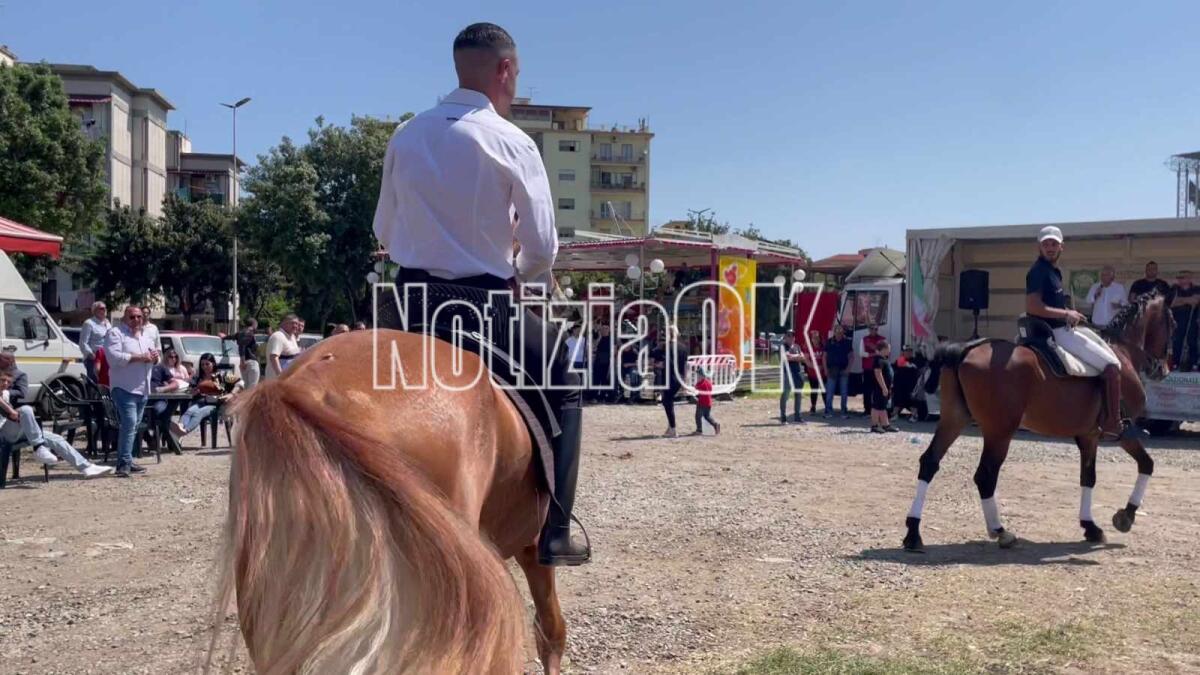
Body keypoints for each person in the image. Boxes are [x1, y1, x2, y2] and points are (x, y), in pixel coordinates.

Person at [370, 23, 587, 566]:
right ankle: (558, 530)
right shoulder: (511, 140)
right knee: (565, 379)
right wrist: (517, 265)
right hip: (484, 308)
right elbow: (543, 249)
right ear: (505, 70)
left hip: (412, 306)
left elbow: (385, 232)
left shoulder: (406, 134)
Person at [1025, 226, 1136, 441]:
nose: (1050, 247)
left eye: (1054, 244)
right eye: (1046, 244)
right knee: (1112, 367)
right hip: (1057, 331)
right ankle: (1113, 423)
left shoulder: (1053, 271)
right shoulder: (1038, 271)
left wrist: (1070, 313)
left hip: (1063, 327)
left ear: (1061, 247)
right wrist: (1067, 313)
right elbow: (1033, 306)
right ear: (1039, 246)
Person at [0, 370, 114, 477]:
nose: (5, 384)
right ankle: (38, 446)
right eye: (2, 380)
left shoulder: (5, 394)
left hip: (13, 432)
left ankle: (86, 467)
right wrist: (10, 411)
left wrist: (14, 414)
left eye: (8, 382)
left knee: (56, 438)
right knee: (25, 409)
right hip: (2, 435)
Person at [103, 306, 159, 477]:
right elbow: (113, 358)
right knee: (129, 424)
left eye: (139, 317)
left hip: (143, 388)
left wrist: (156, 358)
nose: (136, 320)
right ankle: (123, 464)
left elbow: (156, 358)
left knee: (133, 426)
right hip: (124, 387)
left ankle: (128, 459)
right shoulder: (115, 333)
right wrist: (140, 358)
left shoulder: (147, 336)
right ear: (124, 318)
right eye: (132, 317)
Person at [170, 353, 237, 440]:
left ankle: (184, 431)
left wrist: (231, 394)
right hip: (201, 402)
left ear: (213, 363)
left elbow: (239, 382)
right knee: (189, 411)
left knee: (199, 413)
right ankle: (180, 428)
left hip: (216, 404)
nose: (204, 367)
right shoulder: (198, 378)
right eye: (202, 364)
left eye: (207, 364)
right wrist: (194, 392)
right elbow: (189, 390)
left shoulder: (222, 374)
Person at [652, 326, 689, 437]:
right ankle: (670, 427)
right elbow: (685, 365)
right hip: (679, 378)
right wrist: (685, 381)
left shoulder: (666, 347)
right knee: (668, 401)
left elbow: (664, 363)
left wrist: (657, 365)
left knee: (667, 402)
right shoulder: (683, 347)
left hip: (669, 377)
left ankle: (673, 429)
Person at [1169, 270, 1199, 371]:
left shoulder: (1197, 289)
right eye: (1179, 278)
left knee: (1192, 341)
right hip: (1177, 320)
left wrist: (1180, 300)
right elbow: (1172, 303)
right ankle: (1176, 364)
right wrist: (1188, 300)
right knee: (1177, 342)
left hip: (1192, 320)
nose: (1180, 280)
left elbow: (1196, 300)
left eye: (1183, 277)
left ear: (1189, 278)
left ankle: (1194, 363)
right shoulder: (1174, 289)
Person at [822, 324, 852, 418]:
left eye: (840, 331)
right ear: (834, 332)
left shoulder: (847, 342)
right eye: (837, 331)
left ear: (843, 332)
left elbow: (852, 357)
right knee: (829, 392)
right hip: (831, 369)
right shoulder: (829, 342)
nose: (839, 333)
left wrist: (848, 369)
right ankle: (828, 411)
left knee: (844, 392)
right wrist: (825, 369)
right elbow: (824, 357)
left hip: (843, 370)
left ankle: (843, 412)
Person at [869, 340, 898, 433]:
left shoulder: (884, 359)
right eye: (888, 348)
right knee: (876, 406)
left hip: (885, 388)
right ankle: (874, 425)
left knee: (883, 406)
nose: (889, 350)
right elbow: (878, 374)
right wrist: (884, 387)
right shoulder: (878, 360)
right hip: (879, 388)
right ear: (884, 349)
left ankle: (886, 424)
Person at [78, 301, 111, 383]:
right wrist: (91, 355)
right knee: (94, 384)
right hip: (94, 359)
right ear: (95, 311)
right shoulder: (89, 323)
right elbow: (83, 343)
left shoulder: (107, 323)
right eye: (101, 308)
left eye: (105, 308)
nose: (104, 310)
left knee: (105, 384)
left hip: (107, 358)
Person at [779, 330, 806, 424]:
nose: (791, 337)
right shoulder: (783, 346)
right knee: (786, 395)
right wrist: (797, 356)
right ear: (785, 337)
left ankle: (797, 417)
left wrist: (794, 357)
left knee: (798, 395)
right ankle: (783, 417)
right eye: (789, 335)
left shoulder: (797, 346)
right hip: (787, 373)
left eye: (793, 335)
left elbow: (803, 357)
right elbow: (786, 357)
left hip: (797, 373)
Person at [860, 324, 885, 416]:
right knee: (867, 390)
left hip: (879, 368)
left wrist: (872, 350)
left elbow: (885, 353)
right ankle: (867, 410)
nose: (873, 330)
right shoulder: (864, 339)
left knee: (878, 390)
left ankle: (877, 409)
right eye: (872, 329)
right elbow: (861, 353)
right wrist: (874, 354)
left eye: (875, 329)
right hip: (867, 368)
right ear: (868, 329)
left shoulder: (882, 339)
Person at [266, 315, 301, 379]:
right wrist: (281, 376)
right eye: (292, 323)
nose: (295, 326)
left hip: (289, 379)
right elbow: (273, 357)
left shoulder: (292, 337)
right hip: (276, 380)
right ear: (283, 324)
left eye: (297, 324)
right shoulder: (278, 336)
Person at [692, 367, 720, 435]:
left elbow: (695, 388)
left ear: (701, 376)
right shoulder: (708, 382)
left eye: (698, 375)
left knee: (698, 416)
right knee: (707, 416)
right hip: (708, 402)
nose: (697, 377)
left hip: (702, 402)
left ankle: (699, 430)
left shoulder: (700, 383)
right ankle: (715, 424)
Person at [237, 319, 261, 389]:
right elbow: (242, 346)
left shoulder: (241, 333)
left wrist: (242, 361)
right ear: (254, 325)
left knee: (246, 387)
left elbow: (241, 347)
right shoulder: (249, 333)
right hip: (251, 362)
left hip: (245, 362)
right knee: (252, 387)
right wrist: (243, 361)